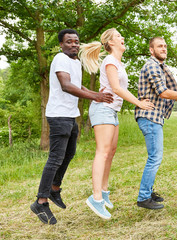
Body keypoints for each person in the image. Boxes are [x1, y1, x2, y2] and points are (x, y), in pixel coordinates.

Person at [30, 29, 113, 225]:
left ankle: (54, 189)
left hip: (70, 115)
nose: (74, 44)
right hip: (58, 115)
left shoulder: (75, 62)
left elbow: (78, 86)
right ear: (61, 44)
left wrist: (95, 94)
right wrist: (95, 97)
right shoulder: (60, 59)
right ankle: (41, 201)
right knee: (55, 158)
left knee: (69, 154)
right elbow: (66, 85)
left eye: (76, 41)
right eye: (69, 42)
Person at [78, 28, 155, 219]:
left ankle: (103, 192)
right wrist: (139, 103)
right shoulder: (110, 61)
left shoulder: (118, 63)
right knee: (102, 152)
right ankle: (95, 198)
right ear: (111, 42)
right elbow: (116, 88)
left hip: (112, 111)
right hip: (103, 109)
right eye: (119, 36)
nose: (123, 38)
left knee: (111, 152)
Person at [135, 37, 177, 210]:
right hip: (149, 116)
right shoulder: (151, 66)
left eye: (165, 46)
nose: (164, 48)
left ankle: (147, 192)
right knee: (154, 158)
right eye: (160, 46)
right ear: (151, 50)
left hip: (154, 116)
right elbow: (163, 92)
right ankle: (143, 197)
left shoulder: (161, 67)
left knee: (155, 157)